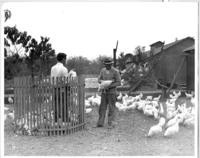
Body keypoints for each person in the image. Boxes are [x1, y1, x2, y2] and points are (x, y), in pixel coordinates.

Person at [97, 58, 121, 128]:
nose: (107, 66)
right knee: (102, 107)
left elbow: (119, 82)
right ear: (104, 64)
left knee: (111, 107)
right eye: (106, 65)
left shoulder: (115, 71)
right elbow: (99, 79)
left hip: (112, 92)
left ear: (111, 64)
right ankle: (100, 123)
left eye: (109, 65)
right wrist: (102, 83)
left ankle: (111, 123)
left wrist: (110, 85)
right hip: (104, 92)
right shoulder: (102, 70)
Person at [50, 53, 69, 123]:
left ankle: (55, 120)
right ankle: (64, 121)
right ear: (63, 59)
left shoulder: (52, 68)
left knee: (55, 105)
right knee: (64, 104)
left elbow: (52, 79)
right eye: (65, 59)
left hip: (54, 88)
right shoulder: (64, 69)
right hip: (62, 89)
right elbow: (66, 81)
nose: (66, 61)